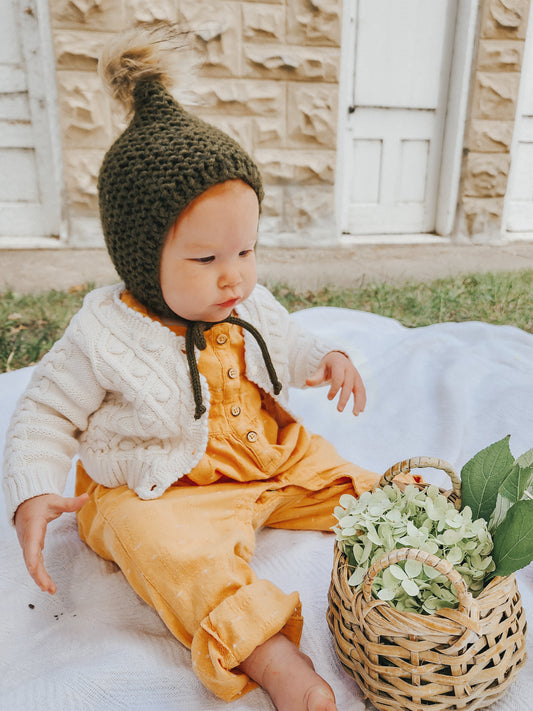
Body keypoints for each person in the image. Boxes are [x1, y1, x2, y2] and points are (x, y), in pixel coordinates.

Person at [3, 26, 411, 711]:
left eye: (246, 251)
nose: (235, 278)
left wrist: (325, 358)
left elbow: (286, 341)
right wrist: (33, 490)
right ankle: (274, 658)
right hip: (161, 484)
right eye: (207, 260)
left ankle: (431, 527)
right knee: (166, 553)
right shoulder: (103, 329)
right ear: (140, 256)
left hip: (266, 456)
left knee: (364, 489)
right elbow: (44, 411)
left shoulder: (246, 298)